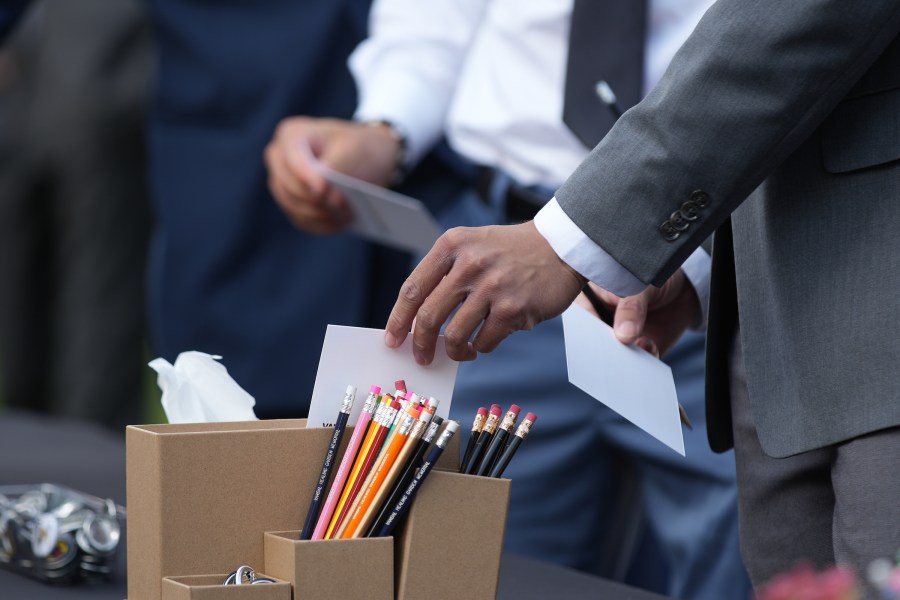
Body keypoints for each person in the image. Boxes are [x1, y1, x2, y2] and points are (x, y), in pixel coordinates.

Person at [381, 1, 900, 597]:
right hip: (728, 270)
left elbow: (789, 21)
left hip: (870, 306)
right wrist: (695, 258)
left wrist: (576, 241)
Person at [265, 1, 751, 597]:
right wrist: (386, 127)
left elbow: (774, 44)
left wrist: (654, 244)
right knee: (474, 570)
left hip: (714, 256)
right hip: (501, 272)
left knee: (751, 568)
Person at [140, 0, 470, 419]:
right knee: (236, 453)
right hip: (244, 200)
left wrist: (389, 127)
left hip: (436, 202)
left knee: (433, 455)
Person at [0, 0, 152, 431]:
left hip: (108, 66)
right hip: (22, 76)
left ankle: (95, 488)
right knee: (19, 310)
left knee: (98, 320)